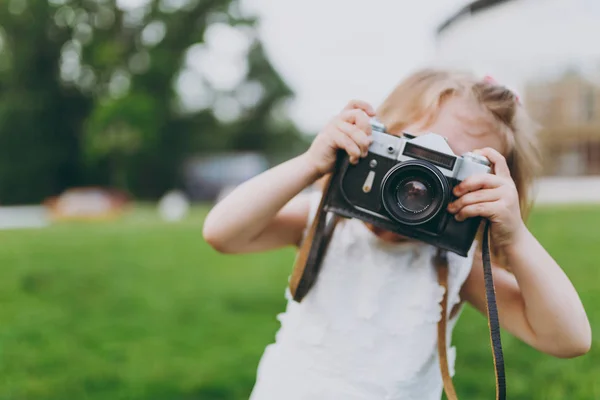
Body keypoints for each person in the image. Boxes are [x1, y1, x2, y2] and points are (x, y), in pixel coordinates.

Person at [202, 68, 591, 400]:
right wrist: (310, 164)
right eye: (412, 151)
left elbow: (568, 339)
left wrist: (516, 237)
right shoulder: (327, 220)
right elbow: (223, 233)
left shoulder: (456, 264)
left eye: (451, 170)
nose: (419, 185)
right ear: (375, 139)